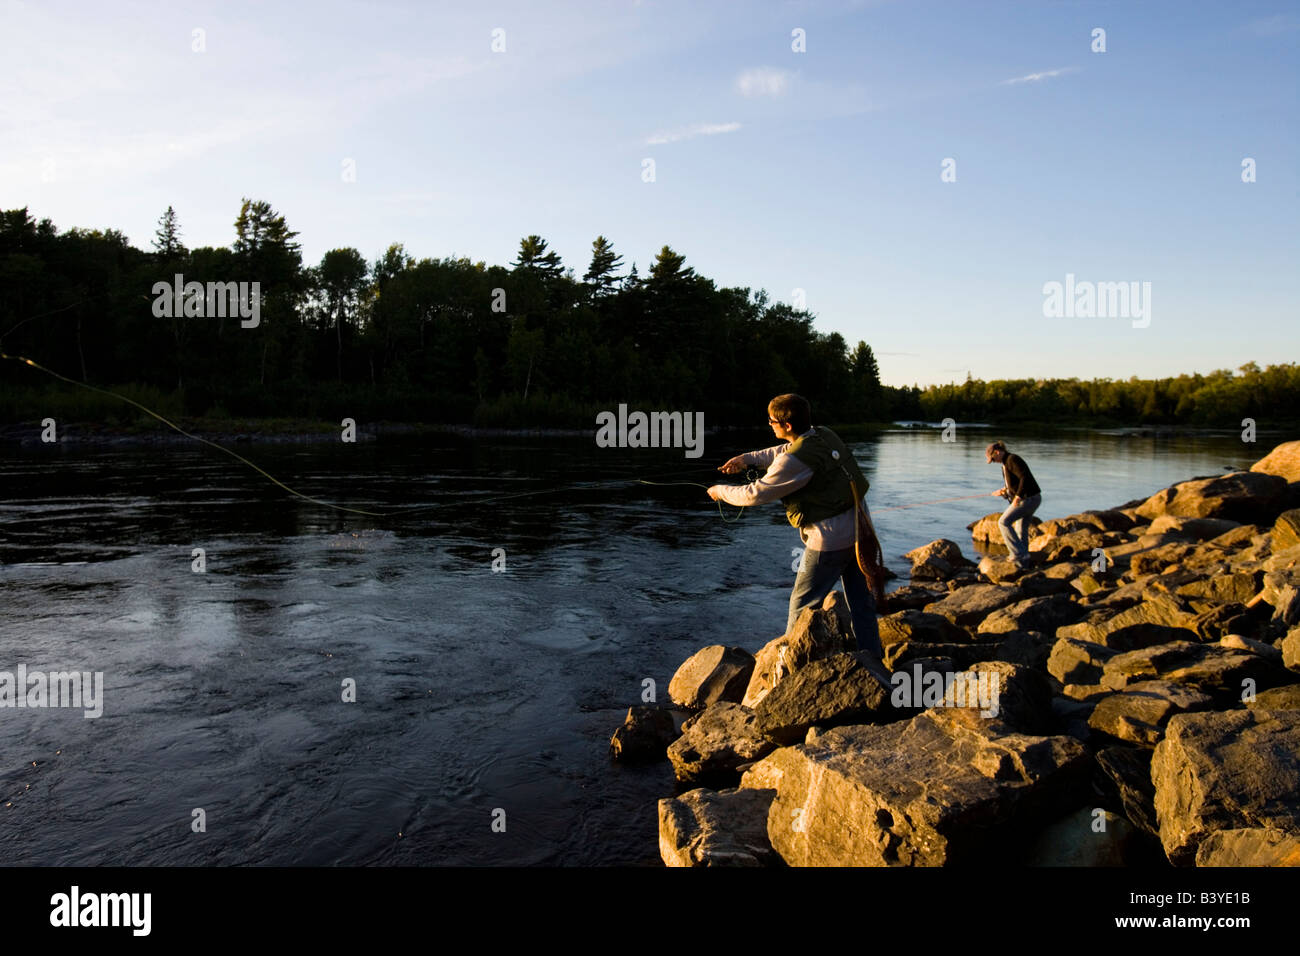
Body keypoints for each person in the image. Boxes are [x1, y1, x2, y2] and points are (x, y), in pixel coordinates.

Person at [706, 393, 890, 685]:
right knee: (861, 602)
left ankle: (786, 675)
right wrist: (747, 459)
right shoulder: (824, 435)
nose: (770, 425)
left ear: (787, 424)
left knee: (802, 606)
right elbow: (784, 451)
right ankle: (873, 663)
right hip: (861, 531)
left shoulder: (794, 461)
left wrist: (719, 491)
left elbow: (755, 494)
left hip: (828, 542)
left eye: (772, 422)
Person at [986, 440, 1042, 567]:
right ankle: (1024, 563)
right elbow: (1015, 483)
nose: (994, 461)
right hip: (1032, 498)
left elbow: (1024, 477)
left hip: (1028, 499)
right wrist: (1004, 491)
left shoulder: (1012, 459)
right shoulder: (1006, 462)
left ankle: (1018, 554)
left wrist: (1018, 496)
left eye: (993, 459)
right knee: (1021, 529)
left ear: (997, 452)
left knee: (1003, 522)